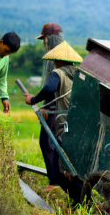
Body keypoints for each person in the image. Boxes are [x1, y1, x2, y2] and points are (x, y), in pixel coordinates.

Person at [23, 41, 83, 202]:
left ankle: (79, 199)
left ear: (56, 60)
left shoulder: (58, 73)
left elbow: (50, 88)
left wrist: (34, 99)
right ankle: (81, 198)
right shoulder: (78, 72)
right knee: (75, 166)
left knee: (58, 170)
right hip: (81, 125)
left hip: (65, 126)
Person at [35, 23, 65, 192]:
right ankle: (57, 178)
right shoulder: (61, 53)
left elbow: (53, 85)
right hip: (58, 107)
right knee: (53, 143)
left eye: (45, 38)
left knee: (48, 143)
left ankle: (55, 181)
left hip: (54, 108)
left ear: (51, 38)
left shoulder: (57, 56)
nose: (44, 42)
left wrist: (46, 105)